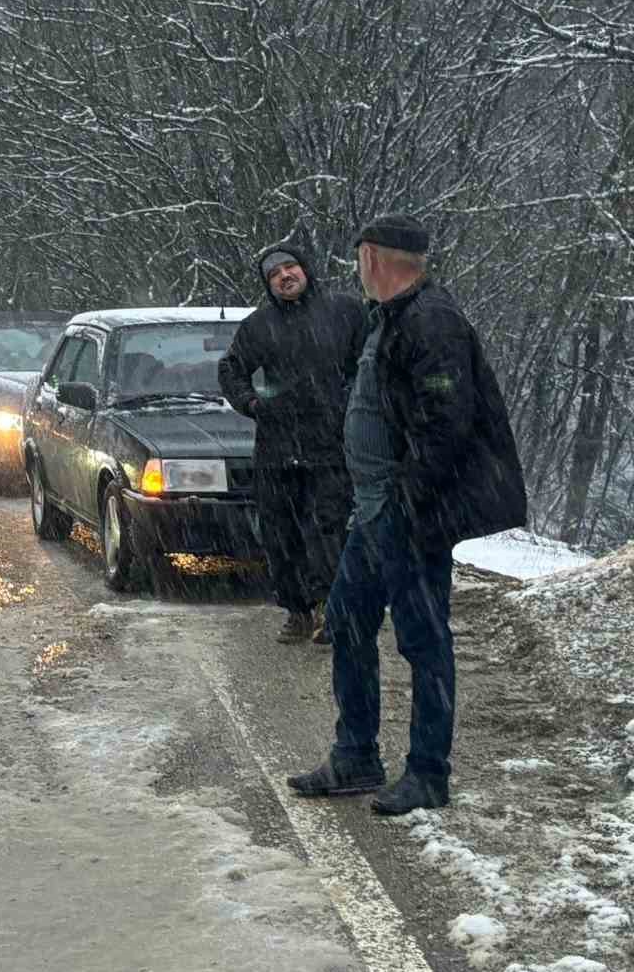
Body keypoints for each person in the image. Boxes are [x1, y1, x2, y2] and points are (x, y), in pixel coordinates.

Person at [286, 214, 527, 815]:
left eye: (359, 257)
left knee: (423, 642)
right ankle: (356, 757)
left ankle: (428, 774)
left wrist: (406, 504)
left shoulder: (432, 321)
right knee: (345, 620)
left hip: (409, 516)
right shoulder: (390, 318)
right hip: (373, 516)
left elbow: (445, 426)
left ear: (372, 257)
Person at [219, 240, 366, 645]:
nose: (284, 276)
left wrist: (353, 401)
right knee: (280, 534)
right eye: (273, 274)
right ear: (268, 285)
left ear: (305, 269)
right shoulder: (258, 326)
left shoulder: (346, 312)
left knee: (328, 529)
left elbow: (370, 362)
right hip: (278, 448)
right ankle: (297, 611)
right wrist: (251, 402)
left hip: (332, 447)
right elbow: (231, 369)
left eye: (290, 268)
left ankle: (331, 610)